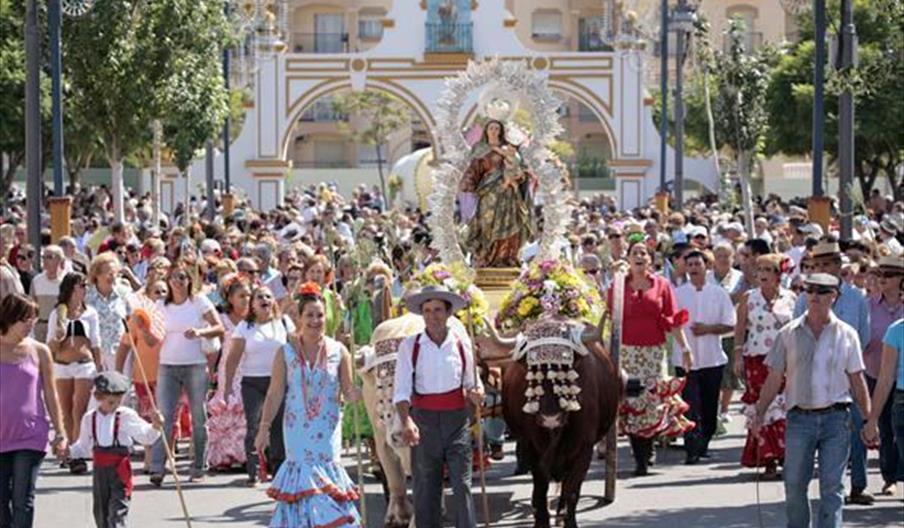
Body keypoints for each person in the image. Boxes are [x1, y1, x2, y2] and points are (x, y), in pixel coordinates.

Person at [754, 273, 871, 528]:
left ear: (834, 297)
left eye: (821, 292)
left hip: (836, 418)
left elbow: (857, 379)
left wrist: (869, 419)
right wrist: (759, 412)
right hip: (799, 418)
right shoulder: (788, 333)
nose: (814, 297)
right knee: (794, 485)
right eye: (810, 291)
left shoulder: (847, 334)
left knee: (832, 488)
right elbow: (774, 378)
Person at [254, 282, 361, 528]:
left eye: (320, 315)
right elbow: (274, 393)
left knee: (327, 486)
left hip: (327, 430)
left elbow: (348, 390)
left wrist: (359, 392)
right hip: (297, 432)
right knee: (303, 486)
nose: (315, 320)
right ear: (299, 318)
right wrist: (264, 428)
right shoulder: (285, 352)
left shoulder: (339, 351)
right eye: (310, 315)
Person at [394, 285, 485, 528]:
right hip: (423, 422)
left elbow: (472, 381)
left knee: (462, 483)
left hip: (457, 421)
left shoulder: (460, 344)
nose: (432, 316)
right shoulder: (410, 346)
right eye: (427, 310)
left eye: (437, 310)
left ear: (448, 314)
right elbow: (401, 389)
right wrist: (407, 421)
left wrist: (477, 392)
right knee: (426, 487)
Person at [792, 241, 873, 505]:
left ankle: (858, 484)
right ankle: (815, 487)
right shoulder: (804, 297)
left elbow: (864, 335)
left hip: (848, 372)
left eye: (826, 264)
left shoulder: (857, 298)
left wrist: (847, 363)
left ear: (839, 266)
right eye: (817, 265)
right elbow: (795, 332)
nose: (821, 269)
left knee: (857, 426)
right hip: (812, 375)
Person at [608, 235, 694, 476]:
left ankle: (649, 444)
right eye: (634, 252)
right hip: (627, 353)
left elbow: (672, 320)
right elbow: (609, 319)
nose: (639, 256)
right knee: (633, 400)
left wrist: (685, 348)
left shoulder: (662, 285)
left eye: (643, 253)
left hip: (654, 353)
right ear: (627, 258)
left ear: (650, 260)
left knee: (652, 403)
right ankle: (640, 456)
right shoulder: (618, 286)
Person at [149, 259, 224, 486]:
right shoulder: (162, 305)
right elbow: (152, 336)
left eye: (182, 277)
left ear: (190, 280)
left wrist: (200, 332)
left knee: (198, 416)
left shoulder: (198, 302)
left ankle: (199, 466)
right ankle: (157, 467)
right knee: (164, 416)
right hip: (168, 365)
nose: (178, 282)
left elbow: (219, 328)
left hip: (194, 364)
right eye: (174, 277)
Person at [0, 293, 67, 528]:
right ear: (9, 318)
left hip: (30, 436)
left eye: (34, 319)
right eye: (25, 319)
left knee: (23, 500)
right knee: (1, 504)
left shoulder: (39, 351)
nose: (31, 324)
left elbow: (51, 393)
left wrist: (60, 433)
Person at [66, 371, 162, 528]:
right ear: (98, 397)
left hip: (119, 471)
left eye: (118, 401)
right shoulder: (90, 418)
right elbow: (82, 447)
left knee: (117, 513)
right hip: (100, 472)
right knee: (101, 513)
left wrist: (156, 426)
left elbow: (146, 436)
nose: (115, 406)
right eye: (111, 402)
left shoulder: (125, 415)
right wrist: (68, 452)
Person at [734, 254, 796, 477]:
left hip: (785, 360)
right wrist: (737, 355)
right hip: (756, 360)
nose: (762, 274)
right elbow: (740, 328)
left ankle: (785, 455)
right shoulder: (748, 298)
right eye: (759, 269)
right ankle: (767, 457)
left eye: (768, 270)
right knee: (763, 406)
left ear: (778, 275)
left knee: (783, 407)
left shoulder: (790, 298)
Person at [673, 250, 736, 464]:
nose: (693, 268)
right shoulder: (678, 294)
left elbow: (730, 325)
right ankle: (691, 446)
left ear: (705, 266)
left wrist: (708, 329)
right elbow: (671, 322)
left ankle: (704, 442)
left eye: (697, 264)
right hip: (685, 360)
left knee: (709, 405)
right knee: (689, 404)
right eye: (689, 264)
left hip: (712, 359)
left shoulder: (718, 293)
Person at [225, 285, 292, 485]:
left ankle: (278, 469)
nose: (264, 299)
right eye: (259, 297)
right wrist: (227, 385)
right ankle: (253, 469)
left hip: (279, 382)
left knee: (278, 426)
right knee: (253, 425)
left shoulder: (285, 323)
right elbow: (233, 358)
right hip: (252, 382)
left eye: (268, 296)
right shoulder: (244, 327)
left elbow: (297, 350)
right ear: (252, 304)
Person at [46, 272, 103, 474]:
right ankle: (70, 450)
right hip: (62, 364)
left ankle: (77, 453)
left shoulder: (90, 313)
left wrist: (99, 365)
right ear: (71, 288)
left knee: (79, 410)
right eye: (81, 285)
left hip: (84, 364)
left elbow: (95, 342)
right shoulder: (57, 313)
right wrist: (58, 337)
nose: (85, 289)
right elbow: (49, 345)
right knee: (65, 410)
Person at [459, 119, 535, 268]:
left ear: (501, 131)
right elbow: (474, 169)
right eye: (491, 128)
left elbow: (521, 168)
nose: (494, 131)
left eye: (497, 128)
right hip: (489, 193)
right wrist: (468, 182)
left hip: (509, 193)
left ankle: (507, 257)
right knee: (487, 225)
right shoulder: (480, 149)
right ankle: (487, 257)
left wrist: (516, 176)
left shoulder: (509, 149)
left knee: (512, 223)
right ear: (486, 131)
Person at [114, 278, 167, 473]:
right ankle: (149, 456)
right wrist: (118, 372)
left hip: (167, 375)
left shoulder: (169, 316)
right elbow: (125, 346)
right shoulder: (138, 318)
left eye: (164, 292)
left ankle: (164, 455)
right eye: (157, 292)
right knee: (147, 416)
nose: (161, 296)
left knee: (167, 416)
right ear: (148, 296)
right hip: (143, 375)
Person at [861, 255, 904, 495]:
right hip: (876, 371)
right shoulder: (868, 305)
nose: (883, 279)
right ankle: (890, 477)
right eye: (881, 274)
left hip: (901, 377)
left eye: (889, 275)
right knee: (886, 428)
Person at [205, 275, 250, 473]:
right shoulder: (222, 319)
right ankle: (224, 456)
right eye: (241, 295)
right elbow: (214, 348)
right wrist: (210, 370)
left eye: (248, 295)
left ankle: (245, 454)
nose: (246, 299)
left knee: (246, 411)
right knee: (228, 407)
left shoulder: (253, 319)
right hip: (228, 369)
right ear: (230, 298)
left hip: (249, 367)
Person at [85, 252, 132, 372]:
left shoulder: (124, 293)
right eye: (107, 272)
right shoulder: (86, 296)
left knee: (120, 388)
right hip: (94, 351)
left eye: (114, 272)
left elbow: (131, 320)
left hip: (119, 351)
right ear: (97, 274)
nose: (112, 276)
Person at [29, 244, 65, 342]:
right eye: (43, 257)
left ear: (60, 260)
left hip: (58, 329)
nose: (45, 260)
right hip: (40, 327)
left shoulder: (65, 282)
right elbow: (31, 304)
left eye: (49, 257)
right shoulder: (36, 280)